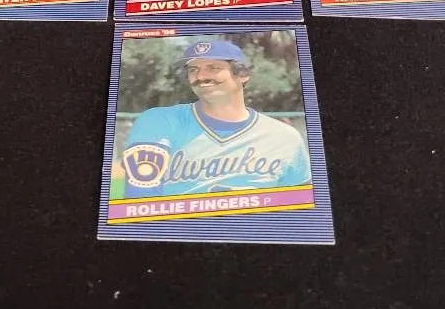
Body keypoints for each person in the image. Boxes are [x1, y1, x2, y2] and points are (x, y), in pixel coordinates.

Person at [120, 39, 311, 197]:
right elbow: (140, 201)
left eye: (213, 67)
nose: (201, 76)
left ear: (243, 75)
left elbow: (300, 206)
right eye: (193, 69)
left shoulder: (285, 137)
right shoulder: (159, 121)